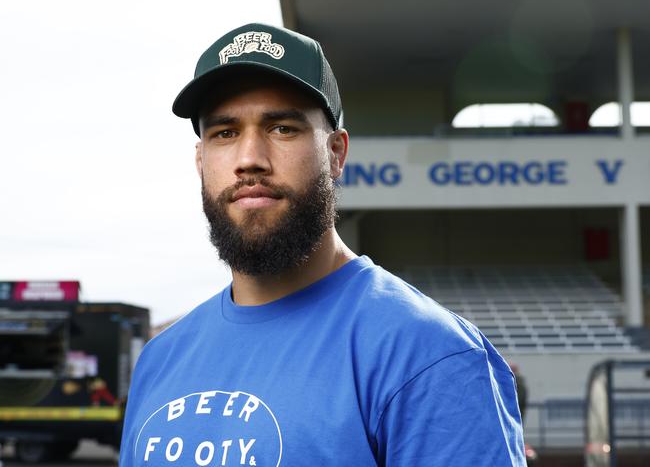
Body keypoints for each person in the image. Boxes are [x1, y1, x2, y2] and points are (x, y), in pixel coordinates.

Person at [119, 23, 526, 466]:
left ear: (336, 153)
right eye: (225, 133)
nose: (249, 158)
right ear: (201, 161)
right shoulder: (160, 360)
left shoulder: (429, 354)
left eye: (282, 129)